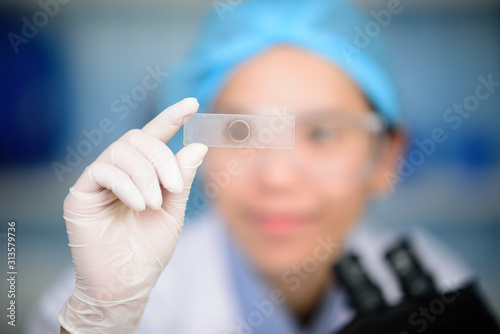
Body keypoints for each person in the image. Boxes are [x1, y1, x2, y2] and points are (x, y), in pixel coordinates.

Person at [28, 0, 482, 333]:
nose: (277, 177)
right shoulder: (112, 295)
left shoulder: (440, 289)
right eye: (241, 133)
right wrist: (102, 319)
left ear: (386, 156)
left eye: (322, 133)